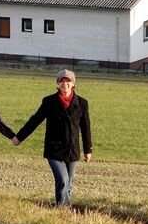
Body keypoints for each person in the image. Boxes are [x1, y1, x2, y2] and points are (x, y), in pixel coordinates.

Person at [13, 68, 92, 207]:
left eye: (68, 81)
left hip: (72, 149)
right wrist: (19, 137)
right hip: (54, 149)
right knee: (62, 179)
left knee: (69, 182)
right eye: (61, 81)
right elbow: (35, 120)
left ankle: (66, 208)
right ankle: (61, 209)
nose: (64, 84)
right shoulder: (49, 101)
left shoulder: (82, 103)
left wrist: (88, 150)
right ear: (58, 83)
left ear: (73, 84)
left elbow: (86, 128)